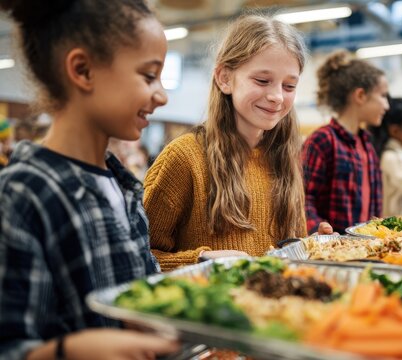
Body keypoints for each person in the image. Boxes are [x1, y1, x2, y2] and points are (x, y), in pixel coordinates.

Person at [0, 0, 178, 359]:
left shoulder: (125, 187)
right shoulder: (23, 193)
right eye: (148, 76)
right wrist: (71, 351)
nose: (162, 95)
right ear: (83, 70)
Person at [144, 15, 332, 272]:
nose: (277, 96)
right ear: (224, 78)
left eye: (289, 86)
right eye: (262, 81)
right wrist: (202, 262)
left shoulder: (284, 160)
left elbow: (281, 255)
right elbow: (137, 258)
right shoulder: (184, 158)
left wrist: (309, 250)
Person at [302, 50, 388, 233]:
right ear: (360, 96)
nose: (386, 105)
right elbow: (302, 199)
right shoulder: (323, 141)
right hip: (332, 252)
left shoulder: (367, 145)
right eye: (382, 96)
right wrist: (318, 230)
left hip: (364, 250)